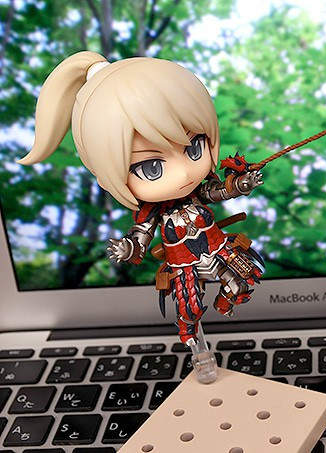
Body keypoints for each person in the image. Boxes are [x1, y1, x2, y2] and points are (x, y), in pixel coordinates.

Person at [19, 51, 264, 346]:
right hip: (184, 264)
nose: (184, 173)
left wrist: (242, 183)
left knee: (246, 278)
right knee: (189, 308)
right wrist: (129, 248)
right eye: (151, 167)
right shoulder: (152, 211)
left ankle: (224, 304)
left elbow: (217, 191)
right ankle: (189, 336)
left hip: (217, 248)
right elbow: (141, 236)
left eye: (194, 147)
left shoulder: (196, 193)